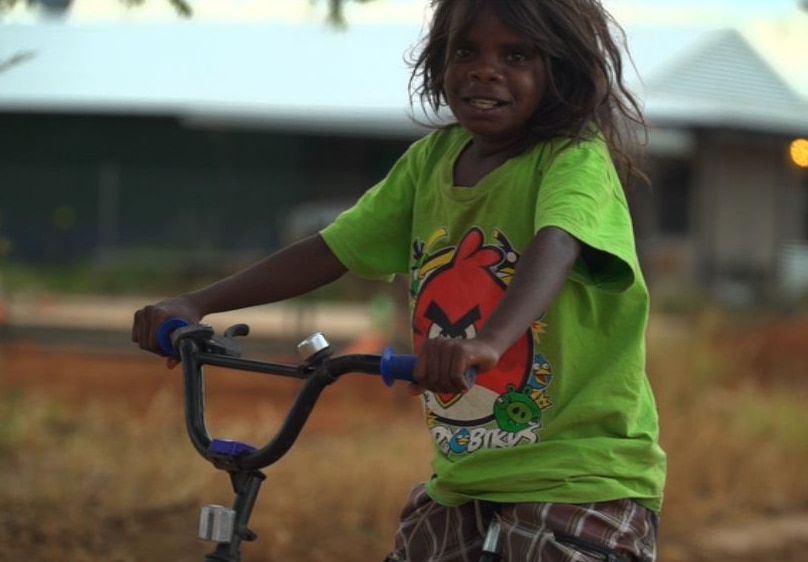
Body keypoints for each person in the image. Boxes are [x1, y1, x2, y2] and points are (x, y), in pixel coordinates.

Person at [132, 0, 666, 560]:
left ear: (560, 71)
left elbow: (557, 241)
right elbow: (333, 249)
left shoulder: (572, 160)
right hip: (466, 479)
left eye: (516, 55)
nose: (485, 69)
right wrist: (197, 302)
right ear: (439, 61)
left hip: (580, 477)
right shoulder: (429, 161)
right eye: (466, 51)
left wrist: (486, 342)